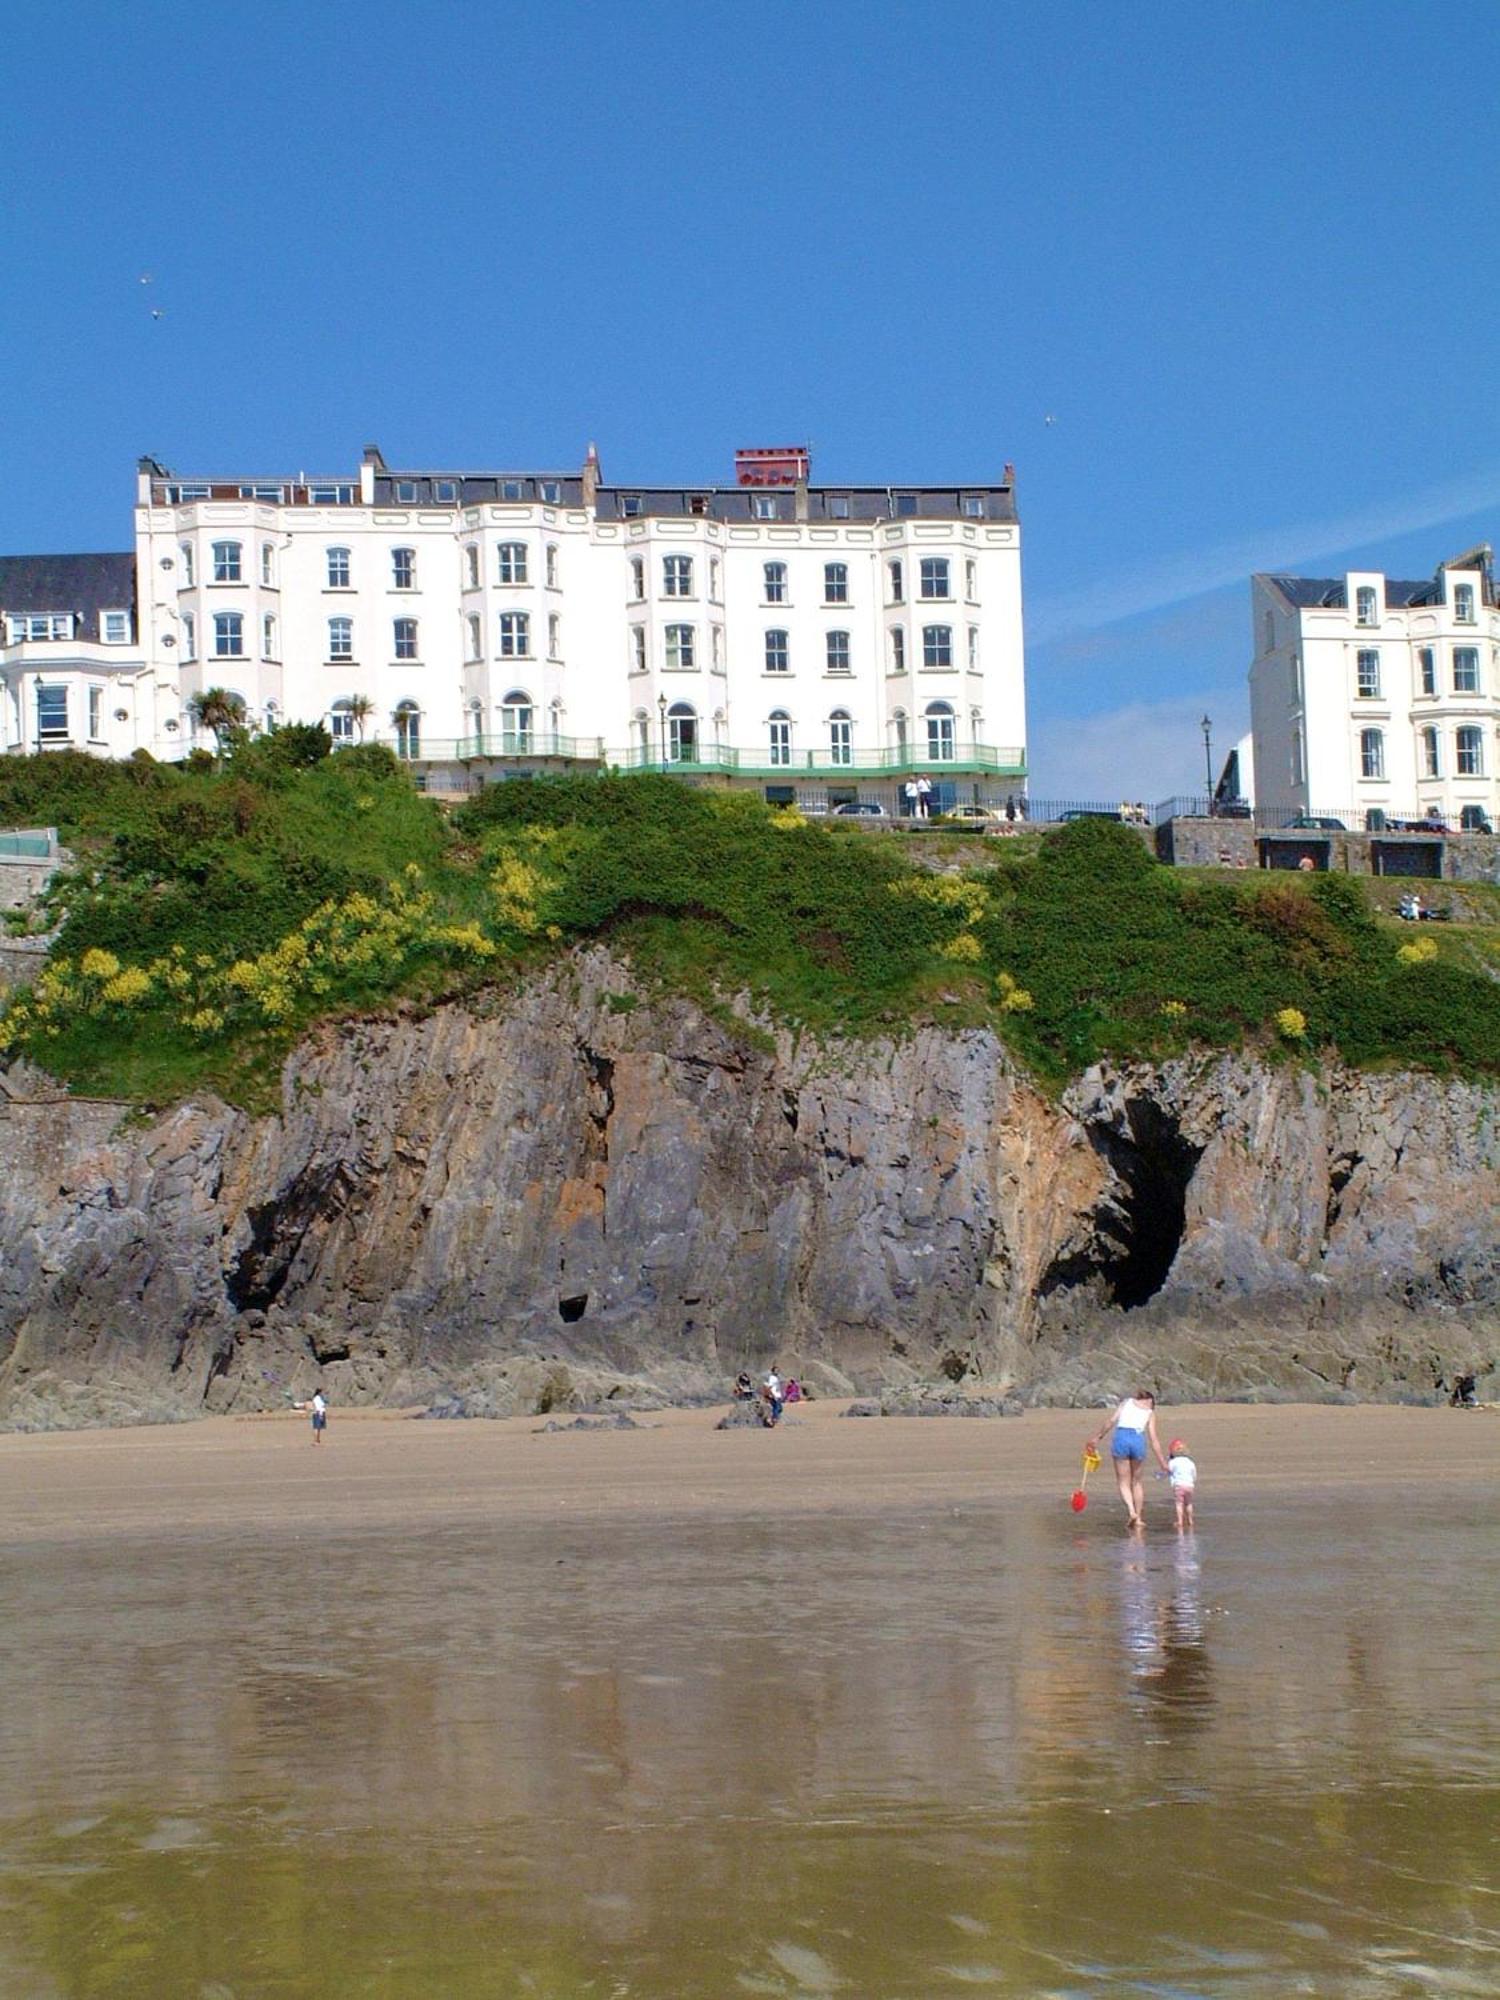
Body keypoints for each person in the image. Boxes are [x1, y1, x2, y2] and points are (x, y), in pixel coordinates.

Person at [1086, 1390, 1169, 1527]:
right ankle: (1139, 1518)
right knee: (1137, 1482)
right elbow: (1154, 1440)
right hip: (1137, 1439)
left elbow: (1111, 1421)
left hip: (1121, 1438)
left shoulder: (1126, 1403)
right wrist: (1162, 1463)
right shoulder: (1150, 1413)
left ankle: (1131, 1511)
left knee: (1123, 1482)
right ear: (1150, 1400)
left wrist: (1097, 1438)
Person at [1167, 1437, 1197, 1530]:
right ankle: (1190, 1520)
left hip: (1179, 1485)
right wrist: (1192, 1481)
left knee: (1179, 1503)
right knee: (1189, 1503)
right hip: (1189, 1485)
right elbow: (1194, 1474)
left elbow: (1168, 1471)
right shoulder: (1190, 1462)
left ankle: (1180, 1521)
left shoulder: (1173, 1462)